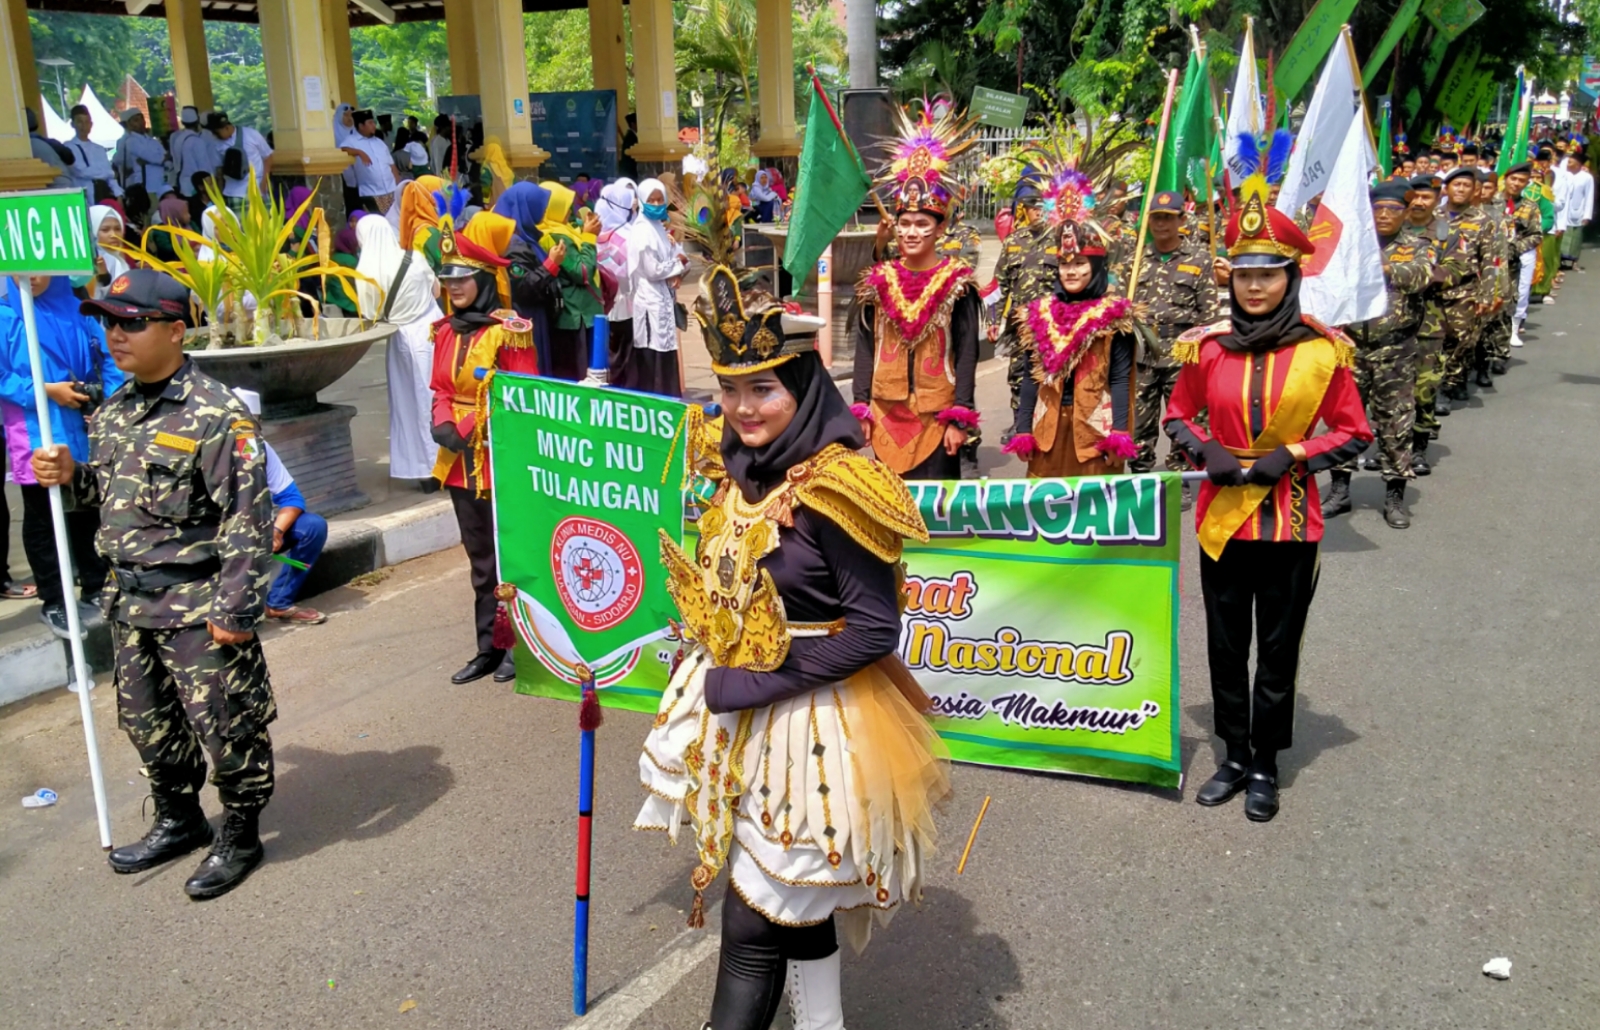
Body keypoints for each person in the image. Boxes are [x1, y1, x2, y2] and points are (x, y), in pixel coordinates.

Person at [641, 262, 949, 1030]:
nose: (743, 409)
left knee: (754, 921)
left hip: (817, 723)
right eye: (730, 388)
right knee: (795, 910)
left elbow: (876, 629)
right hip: (738, 721)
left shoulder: (842, 484)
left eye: (764, 390)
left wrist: (754, 682)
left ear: (805, 385)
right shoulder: (734, 467)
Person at [31, 268, 276, 898]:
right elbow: (113, 501)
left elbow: (248, 518)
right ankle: (180, 818)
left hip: (197, 603)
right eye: (108, 322)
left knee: (225, 723)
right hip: (131, 601)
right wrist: (70, 475)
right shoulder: (115, 411)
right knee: (147, 723)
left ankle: (241, 833)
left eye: (131, 323)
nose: (115, 335)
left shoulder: (216, 414)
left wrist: (236, 609)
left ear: (174, 328)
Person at [1163, 149, 1373, 823]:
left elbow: (1354, 431)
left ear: (1291, 277)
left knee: (1277, 647)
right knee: (1225, 644)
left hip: (1288, 522)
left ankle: (1264, 764)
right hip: (1222, 518)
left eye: (1270, 275)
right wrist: (1203, 446)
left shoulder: (1323, 351)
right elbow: (1175, 412)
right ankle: (1230, 753)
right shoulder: (1209, 347)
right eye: (1246, 274)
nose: (1256, 288)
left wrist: (1296, 452)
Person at [427, 218, 538, 684]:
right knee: (479, 562)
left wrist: (471, 423)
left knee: (511, 557)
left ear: (485, 281)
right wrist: (443, 422)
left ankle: (521, 648)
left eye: (463, 278)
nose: (454, 287)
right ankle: (487, 648)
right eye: (448, 279)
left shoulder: (510, 331)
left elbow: (521, 396)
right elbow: (438, 387)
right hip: (458, 465)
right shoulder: (444, 331)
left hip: (499, 458)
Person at [851, 105, 980, 480]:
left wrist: (961, 417)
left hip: (937, 418)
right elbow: (865, 345)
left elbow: (967, 352)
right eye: (904, 223)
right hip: (885, 414)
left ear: (939, 229)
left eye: (921, 223)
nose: (910, 232)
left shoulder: (958, 283)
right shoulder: (878, 281)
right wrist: (860, 406)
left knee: (937, 517)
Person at [0, 276, 123, 636]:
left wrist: (109, 405)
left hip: (82, 427)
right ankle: (54, 599)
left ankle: (97, 585)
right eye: (25, 270)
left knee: (87, 510)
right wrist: (44, 390)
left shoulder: (79, 310)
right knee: (42, 516)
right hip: (32, 426)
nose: (34, 277)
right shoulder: (6, 314)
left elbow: (112, 360)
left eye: (42, 269)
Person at [1003, 169, 1138, 479]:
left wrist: (1120, 431)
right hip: (1046, 432)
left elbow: (1120, 379)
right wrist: (1023, 428)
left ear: (1097, 266)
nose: (1071, 271)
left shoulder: (1115, 317)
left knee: (1094, 521)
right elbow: (1029, 378)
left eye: (1080, 264)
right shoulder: (1037, 315)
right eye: (1065, 264)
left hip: (1094, 436)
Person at [1322, 180, 1433, 529]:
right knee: (1343, 422)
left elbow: (1423, 276)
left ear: (1405, 213)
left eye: (1393, 210)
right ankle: (1340, 490)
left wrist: (1384, 268)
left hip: (1395, 351)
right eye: (1379, 209)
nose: (1384, 215)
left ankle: (1395, 495)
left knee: (1396, 424)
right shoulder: (1352, 245)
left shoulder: (1416, 245)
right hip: (1352, 349)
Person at [1126, 190, 1221, 494]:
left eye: (1168, 218)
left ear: (1182, 220)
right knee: (1139, 422)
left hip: (1182, 357)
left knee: (1183, 420)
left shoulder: (1198, 259)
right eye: (1156, 218)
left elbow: (1209, 316)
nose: (1161, 224)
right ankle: (1140, 476)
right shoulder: (1135, 259)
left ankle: (1181, 478)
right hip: (1142, 355)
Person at [354, 216, 444, 483]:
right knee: (438, 399)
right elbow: (436, 291)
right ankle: (446, 463)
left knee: (409, 405)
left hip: (399, 340)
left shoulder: (364, 273)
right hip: (431, 333)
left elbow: (369, 314)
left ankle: (421, 469)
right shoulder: (414, 259)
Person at [229, 389, 327, 624]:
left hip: (257, 529)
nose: (244, 435)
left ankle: (279, 602)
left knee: (312, 526)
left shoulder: (260, 448)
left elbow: (292, 498)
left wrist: (276, 531)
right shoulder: (206, 453)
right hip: (218, 536)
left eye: (249, 426)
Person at [1401, 174, 1454, 473]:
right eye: (1415, 196)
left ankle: (1419, 447)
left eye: (1427, 197)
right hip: (1392, 320)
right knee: (1394, 390)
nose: (1420, 202)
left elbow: (1456, 269)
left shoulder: (1444, 230)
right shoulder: (1394, 228)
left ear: (1437, 199)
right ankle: (1391, 450)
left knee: (1424, 387)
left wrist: (1417, 274)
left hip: (1428, 321)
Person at [491, 181, 565, 376]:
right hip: (525, 319)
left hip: (534, 316)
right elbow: (523, 289)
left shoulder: (526, 238)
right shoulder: (512, 243)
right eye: (538, 206)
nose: (542, 212)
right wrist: (551, 265)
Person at [622, 178, 687, 395]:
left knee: (666, 352)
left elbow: (679, 252)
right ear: (641, 201)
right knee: (653, 354)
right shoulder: (642, 231)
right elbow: (653, 270)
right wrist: (677, 266)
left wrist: (678, 270)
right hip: (649, 301)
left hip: (664, 298)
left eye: (660, 199)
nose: (657, 204)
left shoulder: (659, 227)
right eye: (652, 200)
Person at [1436, 167, 1494, 405]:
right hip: (1433, 288)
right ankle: (1441, 386)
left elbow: (1491, 260)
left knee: (1462, 340)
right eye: (1456, 185)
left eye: (1466, 186)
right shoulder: (1434, 214)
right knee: (1433, 341)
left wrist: (1487, 295)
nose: (1460, 189)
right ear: (1446, 188)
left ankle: (1448, 384)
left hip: (1466, 290)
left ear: (1474, 191)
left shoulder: (1483, 221)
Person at [534, 180, 603, 381]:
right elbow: (582, 273)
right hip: (574, 315)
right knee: (579, 374)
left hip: (575, 314)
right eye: (564, 205)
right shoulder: (557, 236)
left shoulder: (557, 230)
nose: (569, 211)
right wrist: (589, 238)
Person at [595, 179, 638, 384]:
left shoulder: (595, 233)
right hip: (627, 304)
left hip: (604, 304)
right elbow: (632, 272)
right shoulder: (626, 235)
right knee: (626, 357)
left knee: (609, 354)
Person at [207, 112, 273, 209]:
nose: (214, 135)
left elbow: (268, 157)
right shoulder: (216, 144)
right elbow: (219, 170)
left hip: (258, 187)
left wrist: (264, 183)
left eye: (216, 132)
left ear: (227, 127)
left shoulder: (252, 135)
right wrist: (221, 194)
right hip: (234, 191)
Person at [114, 110, 168, 228]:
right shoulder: (131, 141)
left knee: (163, 218)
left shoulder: (151, 140)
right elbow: (156, 158)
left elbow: (166, 157)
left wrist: (158, 159)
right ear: (129, 124)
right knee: (150, 220)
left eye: (141, 119)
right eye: (136, 120)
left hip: (161, 185)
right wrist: (159, 159)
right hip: (147, 187)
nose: (141, 122)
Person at [64, 104, 121, 203]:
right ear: (73, 124)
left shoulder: (99, 149)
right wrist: (108, 173)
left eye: (86, 122)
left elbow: (110, 178)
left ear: (91, 124)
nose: (84, 125)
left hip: (102, 195)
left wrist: (118, 193)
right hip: (82, 196)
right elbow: (80, 171)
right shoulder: (68, 147)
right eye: (79, 122)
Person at [346, 110, 399, 214]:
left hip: (391, 190)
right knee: (379, 222)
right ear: (361, 126)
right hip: (371, 193)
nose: (374, 125)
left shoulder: (379, 143)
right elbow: (342, 150)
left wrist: (398, 187)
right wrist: (359, 152)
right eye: (370, 123)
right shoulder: (351, 141)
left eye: (373, 122)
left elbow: (392, 166)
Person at [87, 206, 131, 301]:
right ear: (92, 232)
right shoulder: (87, 260)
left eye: (118, 229)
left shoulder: (119, 261)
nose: (113, 235)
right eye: (105, 230)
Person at [27, 108, 75, 189]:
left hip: (55, 189)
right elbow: (70, 158)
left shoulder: (27, 146)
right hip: (66, 185)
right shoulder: (49, 142)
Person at [1561, 151, 1592, 270]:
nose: (1567, 164)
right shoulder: (1565, 175)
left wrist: (1587, 215)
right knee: (1564, 237)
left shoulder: (1587, 177)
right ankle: (1561, 261)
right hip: (1564, 211)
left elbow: (1589, 196)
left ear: (1578, 165)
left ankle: (1574, 262)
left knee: (1576, 238)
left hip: (1578, 212)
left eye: (1570, 162)